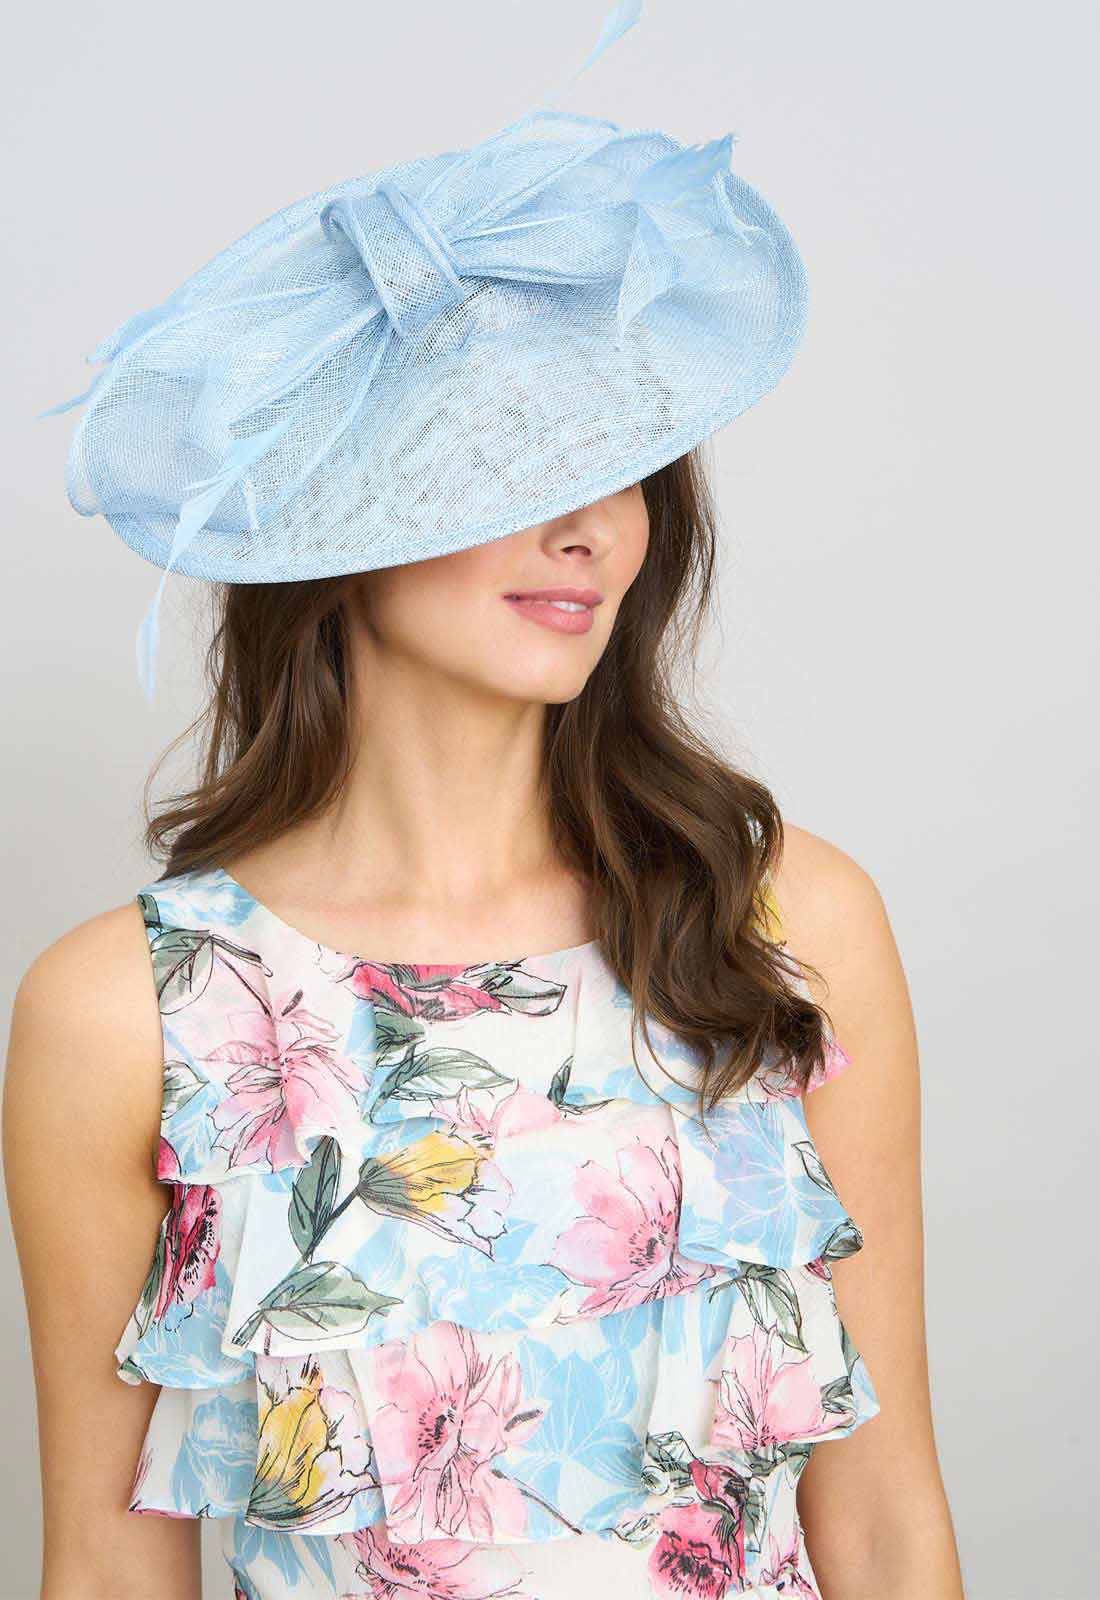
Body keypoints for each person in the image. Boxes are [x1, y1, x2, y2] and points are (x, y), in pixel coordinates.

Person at [4, 5, 964, 1597]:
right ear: (335, 520)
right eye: (500, 469)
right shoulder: (127, 1011)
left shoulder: (781, 921)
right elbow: (110, 1567)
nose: (591, 527)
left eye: (620, 467)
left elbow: (887, 1507)